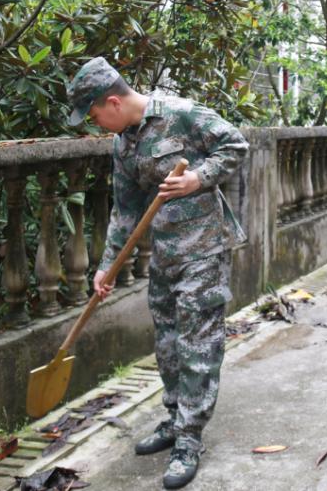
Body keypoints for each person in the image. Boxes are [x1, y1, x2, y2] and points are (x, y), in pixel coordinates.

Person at [66, 57, 248, 489]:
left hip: (204, 248)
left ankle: (190, 437)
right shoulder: (122, 144)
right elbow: (126, 208)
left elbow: (236, 145)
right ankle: (173, 418)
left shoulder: (181, 114)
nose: (96, 125)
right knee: (166, 338)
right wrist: (107, 265)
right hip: (164, 254)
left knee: (197, 340)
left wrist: (198, 178)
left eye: (94, 116)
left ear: (112, 101)